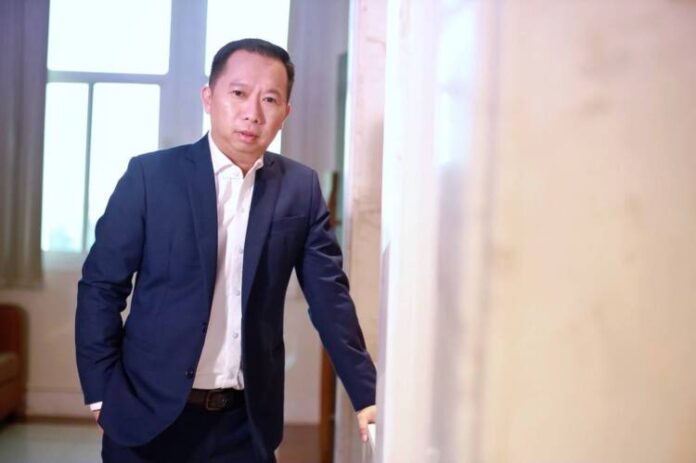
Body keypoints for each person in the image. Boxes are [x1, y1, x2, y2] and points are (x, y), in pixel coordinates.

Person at [75, 38, 377, 463]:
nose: (253, 113)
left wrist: (367, 394)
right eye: (238, 93)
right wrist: (101, 392)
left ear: (285, 113)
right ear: (208, 98)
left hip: (244, 425)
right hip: (146, 415)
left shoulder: (300, 189)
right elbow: (101, 287)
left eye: (269, 99)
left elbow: (330, 299)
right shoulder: (150, 177)